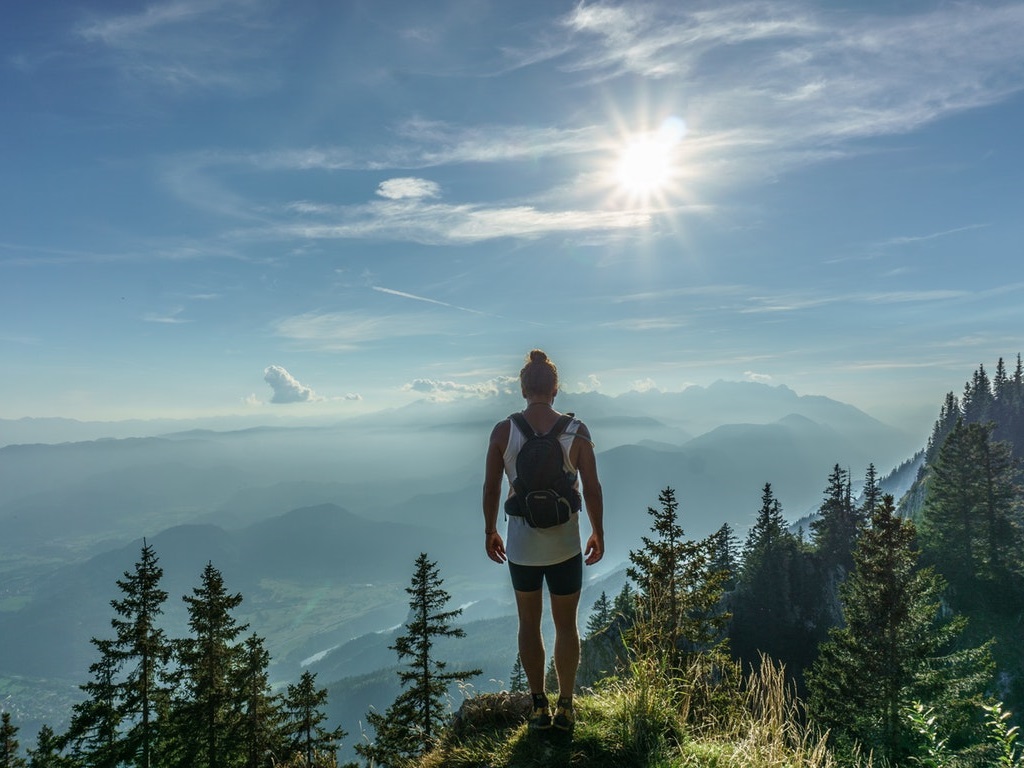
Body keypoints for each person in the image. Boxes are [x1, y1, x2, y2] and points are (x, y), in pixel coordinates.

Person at [482, 349, 604, 733]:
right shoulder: (577, 431)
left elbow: (491, 485)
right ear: (555, 388)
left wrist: (490, 530)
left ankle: (538, 707)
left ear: (523, 388)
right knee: (566, 626)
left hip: (522, 547)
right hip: (566, 545)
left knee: (529, 623)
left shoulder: (504, 431)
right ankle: (566, 706)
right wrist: (598, 530)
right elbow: (592, 486)